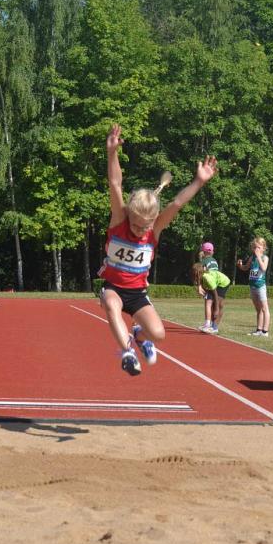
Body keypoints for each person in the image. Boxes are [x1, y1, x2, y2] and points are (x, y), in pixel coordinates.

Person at [99, 123, 218, 376]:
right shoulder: (119, 221)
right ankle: (128, 353)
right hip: (114, 288)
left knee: (159, 334)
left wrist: (199, 181)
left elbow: (177, 203)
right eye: (135, 224)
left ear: (153, 221)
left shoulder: (154, 229)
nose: (139, 230)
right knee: (110, 304)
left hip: (137, 293)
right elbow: (115, 184)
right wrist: (112, 153)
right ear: (128, 215)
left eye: (144, 226)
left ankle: (140, 336)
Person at [237, 236, 270, 337]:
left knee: (264, 309)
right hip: (252, 286)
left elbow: (264, 268)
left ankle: (265, 331)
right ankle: (259, 330)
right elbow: (246, 268)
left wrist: (259, 257)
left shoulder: (265, 258)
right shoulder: (252, 258)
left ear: (264, 248)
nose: (256, 249)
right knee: (258, 309)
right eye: (254, 247)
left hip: (260, 286)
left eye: (258, 247)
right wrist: (240, 265)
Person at [191, 263, 230, 334]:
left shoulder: (207, 278)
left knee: (217, 304)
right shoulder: (201, 277)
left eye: (196, 275)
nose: (195, 276)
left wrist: (216, 309)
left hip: (223, 283)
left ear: (200, 273)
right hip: (216, 283)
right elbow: (206, 288)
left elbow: (215, 294)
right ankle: (210, 326)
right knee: (212, 305)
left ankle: (214, 328)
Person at [198, 241, 219, 332]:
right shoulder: (214, 260)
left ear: (204, 251)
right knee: (213, 304)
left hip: (209, 284)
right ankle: (212, 325)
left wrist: (200, 286)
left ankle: (207, 324)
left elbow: (200, 273)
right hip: (216, 283)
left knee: (208, 304)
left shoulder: (204, 261)